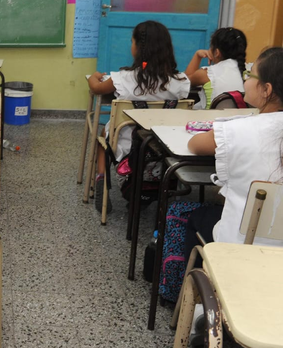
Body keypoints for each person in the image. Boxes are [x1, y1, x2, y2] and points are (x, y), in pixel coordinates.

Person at [186, 47, 283, 252]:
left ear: (266, 89)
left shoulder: (238, 129)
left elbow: (194, 144)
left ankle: (195, 281)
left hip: (240, 247)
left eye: (249, 74)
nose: (245, 80)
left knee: (198, 217)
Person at [87, 20, 191, 212]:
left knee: (104, 135)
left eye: (132, 42)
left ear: (137, 48)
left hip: (126, 145)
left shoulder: (124, 78)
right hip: (164, 145)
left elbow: (97, 88)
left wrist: (94, 76)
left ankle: (101, 178)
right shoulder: (180, 81)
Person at [184, 27, 247, 109]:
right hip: (241, 120)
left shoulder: (207, 74)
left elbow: (185, 82)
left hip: (211, 120)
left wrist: (197, 56)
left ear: (217, 52)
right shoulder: (251, 72)